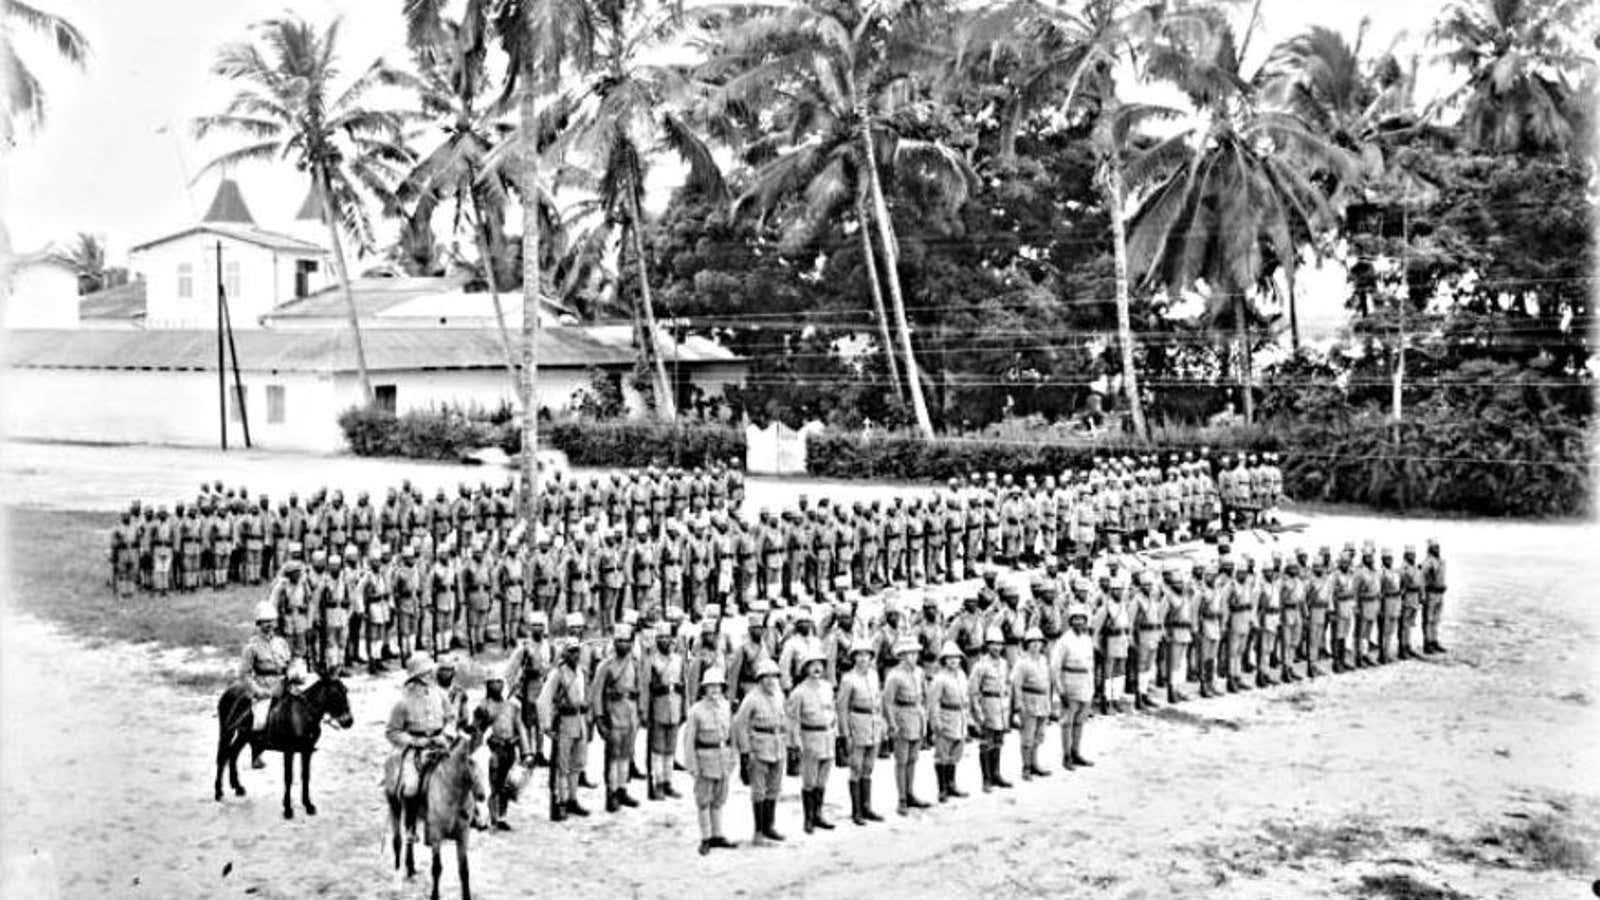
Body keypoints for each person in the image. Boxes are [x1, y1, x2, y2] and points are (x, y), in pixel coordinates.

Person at [681, 667, 740, 855]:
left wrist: (733, 757)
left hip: (723, 757)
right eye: (710, 687)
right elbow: (688, 741)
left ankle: (718, 834)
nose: (715, 690)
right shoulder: (696, 711)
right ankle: (706, 837)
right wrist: (691, 765)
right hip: (704, 759)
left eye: (718, 686)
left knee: (719, 799)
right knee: (704, 800)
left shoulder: (726, 707)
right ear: (704, 689)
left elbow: (732, 734)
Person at [537, 627, 592, 820]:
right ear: (564, 653)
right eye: (571, 651)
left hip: (580, 720)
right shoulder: (557, 674)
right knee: (562, 766)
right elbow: (543, 700)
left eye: (577, 651)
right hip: (564, 722)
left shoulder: (581, 672)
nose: (575, 655)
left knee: (577, 764)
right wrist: (546, 726)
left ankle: (572, 799)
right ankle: (560, 801)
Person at [238, 600, 301, 769]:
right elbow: (244, 674)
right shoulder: (252, 647)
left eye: (272, 621)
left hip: (283, 684)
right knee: (260, 720)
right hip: (264, 687)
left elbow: (289, 662)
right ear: (258, 624)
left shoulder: (281, 642)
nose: (269, 626)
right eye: (265, 622)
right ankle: (257, 752)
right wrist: (258, 691)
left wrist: (294, 673)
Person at [732, 658, 789, 845]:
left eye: (774, 676)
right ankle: (758, 832)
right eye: (766, 677)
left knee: (774, 789)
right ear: (759, 678)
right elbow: (739, 725)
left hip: (778, 745)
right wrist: (745, 751)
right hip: (759, 747)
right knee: (759, 791)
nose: (770, 680)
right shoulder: (752, 698)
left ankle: (769, 826)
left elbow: (785, 719)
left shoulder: (779, 695)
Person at [591, 623, 643, 812]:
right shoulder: (606, 665)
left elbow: (640, 687)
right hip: (613, 713)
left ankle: (622, 789)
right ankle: (611, 792)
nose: (623, 645)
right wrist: (598, 717)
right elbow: (596, 693)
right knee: (613, 756)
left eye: (626, 641)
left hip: (630, 713)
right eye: (619, 641)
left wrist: (641, 712)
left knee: (625, 754)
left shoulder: (635, 663)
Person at [385, 652, 450, 799]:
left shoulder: (440, 695)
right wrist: (415, 741)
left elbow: (451, 718)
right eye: (425, 673)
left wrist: (445, 735)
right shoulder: (403, 702)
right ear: (416, 677)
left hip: (440, 742)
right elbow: (392, 731)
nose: (430, 676)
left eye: (430, 672)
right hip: (415, 748)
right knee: (410, 787)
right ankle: (409, 820)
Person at [786, 650, 837, 833]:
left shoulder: (827, 687)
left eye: (820, 664)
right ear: (805, 668)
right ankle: (808, 819)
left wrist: (836, 733)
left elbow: (833, 711)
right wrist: (795, 743)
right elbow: (792, 720)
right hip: (810, 737)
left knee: (823, 779)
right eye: (812, 664)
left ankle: (818, 814)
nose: (817, 668)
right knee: (810, 780)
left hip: (827, 736)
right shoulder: (799, 692)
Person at [835, 642, 885, 825]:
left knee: (869, 767)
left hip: (873, 723)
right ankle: (856, 811)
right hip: (857, 723)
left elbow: (878, 700)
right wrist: (845, 733)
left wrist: (882, 723)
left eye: (867, 655)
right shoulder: (848, 679)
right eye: (859, 655)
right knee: (856, 766)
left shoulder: (873, 675)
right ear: (854, 657)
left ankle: (867, 806)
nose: (863, 659)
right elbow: (841, 708)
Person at [476, 671, 529, 831]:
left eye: (500, 682)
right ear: (488, 685)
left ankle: (502, 817)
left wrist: (526, 751)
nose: (497, 685)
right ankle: (492, 818)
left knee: (507, 786)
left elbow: (520, 727)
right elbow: (478, 730)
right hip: (494, 751)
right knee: (494, 786)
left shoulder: (512, 706)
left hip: (510, 748)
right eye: (493, 682)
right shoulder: (484, 706)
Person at [883, 636, 931, 812]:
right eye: (909, 654)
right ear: (901, 656)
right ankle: (901, 798)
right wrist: (892, 723)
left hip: (916, 715)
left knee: (913, 759)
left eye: (915, 653)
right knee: (901, 760)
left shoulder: (919, 672)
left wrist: (925, 716)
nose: (913, 657)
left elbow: (924, 695)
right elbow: (887, 702)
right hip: (902, 715)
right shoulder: (894, 676)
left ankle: (910, 793)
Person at [644, 623, 686, 800]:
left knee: (671, 749)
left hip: (675, 705)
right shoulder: (652, 661)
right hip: (658, 705)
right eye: (661, 638)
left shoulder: (678, 659)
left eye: (667, 637)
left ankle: (668, 782)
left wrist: (685, 708)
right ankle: (658, 784)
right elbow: (646, 687)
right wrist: (644, 711)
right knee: (657, 749)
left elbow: (684, 685)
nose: (665, 641)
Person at [968, 626, 1013, 792]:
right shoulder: (980, 665)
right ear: (987, 645)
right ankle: (986, 778)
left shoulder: (1004, 664)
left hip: (1001, 706)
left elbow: (1007, 684)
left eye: (1000, 644)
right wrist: (978, 713)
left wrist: (1007, 706)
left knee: (998, 741)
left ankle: (996, 774)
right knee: (986, 742)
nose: (997, 648)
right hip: (987, 703)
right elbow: (973, 691)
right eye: (993, 644)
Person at [926, 642, 970, 800]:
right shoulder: (939, 678)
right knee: (942, 754)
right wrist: (935, 722)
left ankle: (952, 784)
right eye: (949, 658)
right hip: (946, 715)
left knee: (956, 752)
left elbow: (967, 698)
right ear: (944, 660)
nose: (953, 661)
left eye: (956, 657)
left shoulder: (962, 675)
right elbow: (933, 703)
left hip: (960, 716)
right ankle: (942, 788)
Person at [1010, 627, 1053, 779]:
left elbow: (1047, 683)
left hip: (1042, 700)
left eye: (1039, 642)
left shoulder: (1043, 660)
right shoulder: (1022, 662)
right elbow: (1016, 685)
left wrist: (1049, 703)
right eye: (1032, 642)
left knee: (1039, 735)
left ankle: (1035, 764)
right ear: (1026, 644)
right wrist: (1018, 705)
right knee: (1027, 737)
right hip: (1028, 701)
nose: (1036, 645)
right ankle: (1026, 767)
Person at [1421, 539, 1447, 654]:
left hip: (1440, 593)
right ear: (1430, 549)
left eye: (1438, 547)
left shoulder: (1441, 561)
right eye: (1435, 547)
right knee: (1429, 619)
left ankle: (1434, 640)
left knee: (1436, 620)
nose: (1437, 549)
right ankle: (1427, 643)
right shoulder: (1428, 562)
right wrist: (1422, 595)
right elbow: (1422, 579)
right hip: (1431, 593)